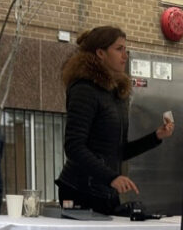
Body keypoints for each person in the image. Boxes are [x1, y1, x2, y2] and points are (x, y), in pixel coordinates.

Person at [56, 26, 174, 213]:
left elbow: (117, 151)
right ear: (100, 53)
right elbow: (74, 146)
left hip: (106, 190)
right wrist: (111, 177)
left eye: (125, 49)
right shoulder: (84, 89)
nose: (125, 55)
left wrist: (156, 137)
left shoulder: (115, 93)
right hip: (80, 189)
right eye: (119, 49)